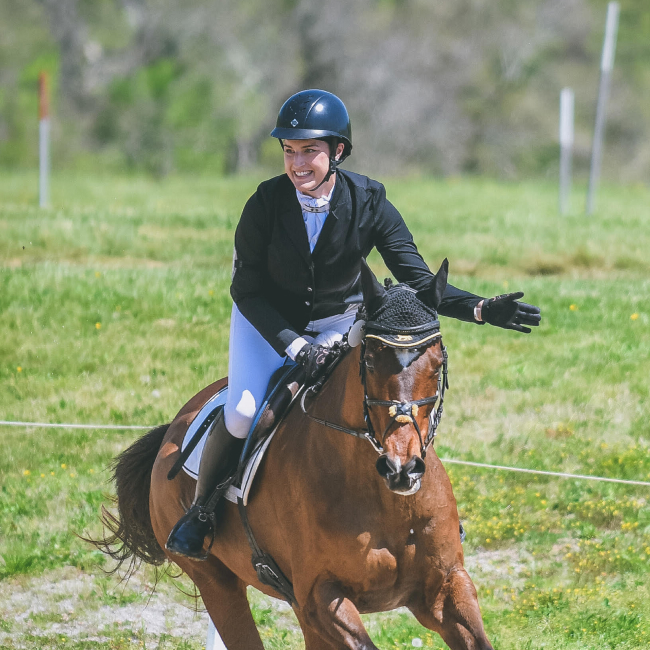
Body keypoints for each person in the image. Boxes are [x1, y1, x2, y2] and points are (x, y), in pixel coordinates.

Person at [166, 89, 541, 559]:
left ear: (338, 151)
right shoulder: (263, 204)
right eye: (289, 151)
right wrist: (295, 347)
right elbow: (247, 291)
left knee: (391, 397)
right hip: (268, 323)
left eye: (309, 151)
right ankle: (201, 513)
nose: (297, 163)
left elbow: (419, 280)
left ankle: (433, 516)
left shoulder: (369, 200)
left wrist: (482, 309)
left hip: (339, 323)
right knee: (245, 411)